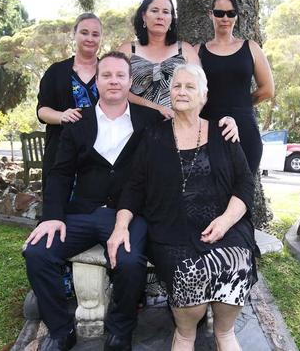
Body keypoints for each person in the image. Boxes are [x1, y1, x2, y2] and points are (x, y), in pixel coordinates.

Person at [23, 52, 240, 351]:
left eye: (120, 75)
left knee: (127, 261)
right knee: (37, 253)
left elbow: (192, 114)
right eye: (107, 75)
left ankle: (120, 330)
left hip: (130, 212)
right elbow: (59, 174)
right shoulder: (77, 121)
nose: (113, 81)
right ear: (97, 81)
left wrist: (229, 121)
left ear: (129, 82)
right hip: (83, 212)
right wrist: (52, 216)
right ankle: (60, 330)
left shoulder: (149, 120)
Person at [109, 64, 258, 351]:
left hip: (224, 225)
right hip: (172, 229)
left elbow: (245, 184)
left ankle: (224, 333)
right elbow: (134, 188)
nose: (182, 91)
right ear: (169, 93)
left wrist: (226, 221)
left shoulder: (223, 132)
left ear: (204, 96)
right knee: (189, 272)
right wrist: (120, 226)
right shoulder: (152, 137)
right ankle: (185, 334)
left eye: (190, 87)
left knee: (237, 260)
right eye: (177, 86)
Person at [195, 0, 274, 175]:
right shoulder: (197, 51)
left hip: (245, 130)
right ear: (210, 14)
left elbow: (268, 90)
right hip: (208, 130)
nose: (225, 18)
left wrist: (242, 104)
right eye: (219, 13)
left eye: (231, 13)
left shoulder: (251, 48)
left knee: (242, 192)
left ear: (236, 16)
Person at [36, 13, 101, 190]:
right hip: (60, 154)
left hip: (100, 157)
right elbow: (42, 110)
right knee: (58, 207)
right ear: (74, 34)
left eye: (95, 34)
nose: (90, 38)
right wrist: (61, 116)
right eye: (84, 32)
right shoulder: (56, 72)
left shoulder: (109, 72)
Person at [119, 0, 200, 120]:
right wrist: (155, 107)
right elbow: (118, 89)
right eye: (155, 10)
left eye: (166, 12)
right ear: (144, 16)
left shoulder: (185, 50)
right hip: (135, 126)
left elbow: (200, 90)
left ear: (171, 19)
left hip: (177, 125)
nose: (160, 16)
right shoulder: (127, 50)